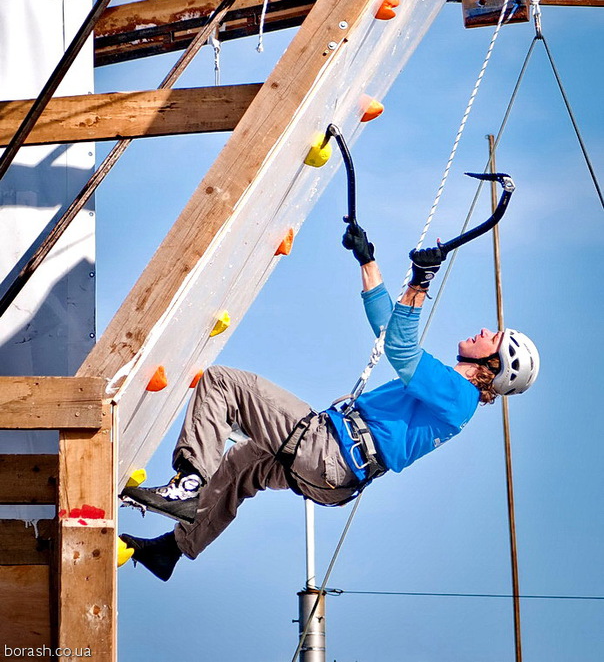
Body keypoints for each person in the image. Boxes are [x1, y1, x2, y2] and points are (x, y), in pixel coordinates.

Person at [120, 223, 539, 581]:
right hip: (333, 473)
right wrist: (368, 262)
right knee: (239, 465)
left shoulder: (459, 395)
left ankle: (188, 483)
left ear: (492, 363)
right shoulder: (449, 392)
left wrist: (420, 282)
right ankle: (171, 551)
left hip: (330, 450)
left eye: (493, 336)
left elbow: (402, 350)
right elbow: (388, 331)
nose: (484, 330)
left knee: (223, 382)